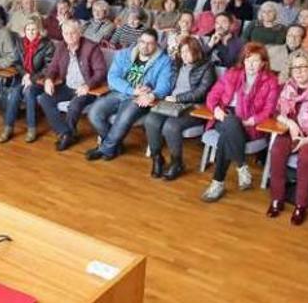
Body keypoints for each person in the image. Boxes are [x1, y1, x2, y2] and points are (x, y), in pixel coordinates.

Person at [264, 51, 308, 225]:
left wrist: (307, 139)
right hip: (293, 132)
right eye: (295, 67)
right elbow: (276, 112)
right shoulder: (286, 87)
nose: (299, 71)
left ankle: (300, 205)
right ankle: (277, 199)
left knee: (306, 156)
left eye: (303, 67)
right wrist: (291, 124)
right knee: (277, 150)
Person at [201, 43, 279, 202]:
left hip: (250, 125)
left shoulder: (270, 81)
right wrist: (216, 110)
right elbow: (212, 95)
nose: (250, 65)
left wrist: (252, 121)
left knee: (226, 137)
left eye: (255, 61)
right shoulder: (232, 73)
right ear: (243, 61)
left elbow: (269, 110)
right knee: (231, 123)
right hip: (224, 117)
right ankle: (242, 167)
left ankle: (218, 184)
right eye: (247, 60)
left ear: (263, 63)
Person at [85, 30, 173, 161]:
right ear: (138, 41)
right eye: (142, 42)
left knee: (124, 117)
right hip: (120, 92)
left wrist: (152, 94)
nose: (145, 46)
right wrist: (132, 90)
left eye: (150, 43)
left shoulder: (164, 61)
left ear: (156, 45)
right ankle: (115, 145)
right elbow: (112, 77)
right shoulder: (124, 54)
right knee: (94, 113)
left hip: (140, 99)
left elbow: (165, 86)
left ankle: (106, 149)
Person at [146, 37, 216, 181]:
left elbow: (201, 92)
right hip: (171, 103)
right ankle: (157, 158)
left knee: (170, 127)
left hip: (193, 106)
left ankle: (177, 163)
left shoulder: (207, 67)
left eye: (187, 51)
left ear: (196, 52)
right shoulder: (177, 64)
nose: (183, 55)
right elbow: (167, 83)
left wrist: (178, 98)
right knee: (150, 120)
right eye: (181, 51)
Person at [39, 20, 107, 151]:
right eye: (66, 33)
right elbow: (53, 67)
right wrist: (48, 79)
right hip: (68, 86)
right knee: (44, 98)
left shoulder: (91, 47)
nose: (69, 36)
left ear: (79, 33)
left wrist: (88, 86)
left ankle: (66, 136)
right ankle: (66, 133)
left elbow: (101, 71)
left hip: (88, 89)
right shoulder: (61, 46)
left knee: (74, 105)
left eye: (73, 33)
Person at [0, 16, 55, 143]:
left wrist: (33, 78)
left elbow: (49, 67)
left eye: (34, 29)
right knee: (14, 92)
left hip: (41, 79)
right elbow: (17, 63)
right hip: (25, 77)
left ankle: (32, 128)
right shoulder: (20, 42)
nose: (30, 32)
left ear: (39, 30)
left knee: (29, 92)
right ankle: (8, 128)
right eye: (28, 29)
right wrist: (25, 75)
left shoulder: (47, 44)